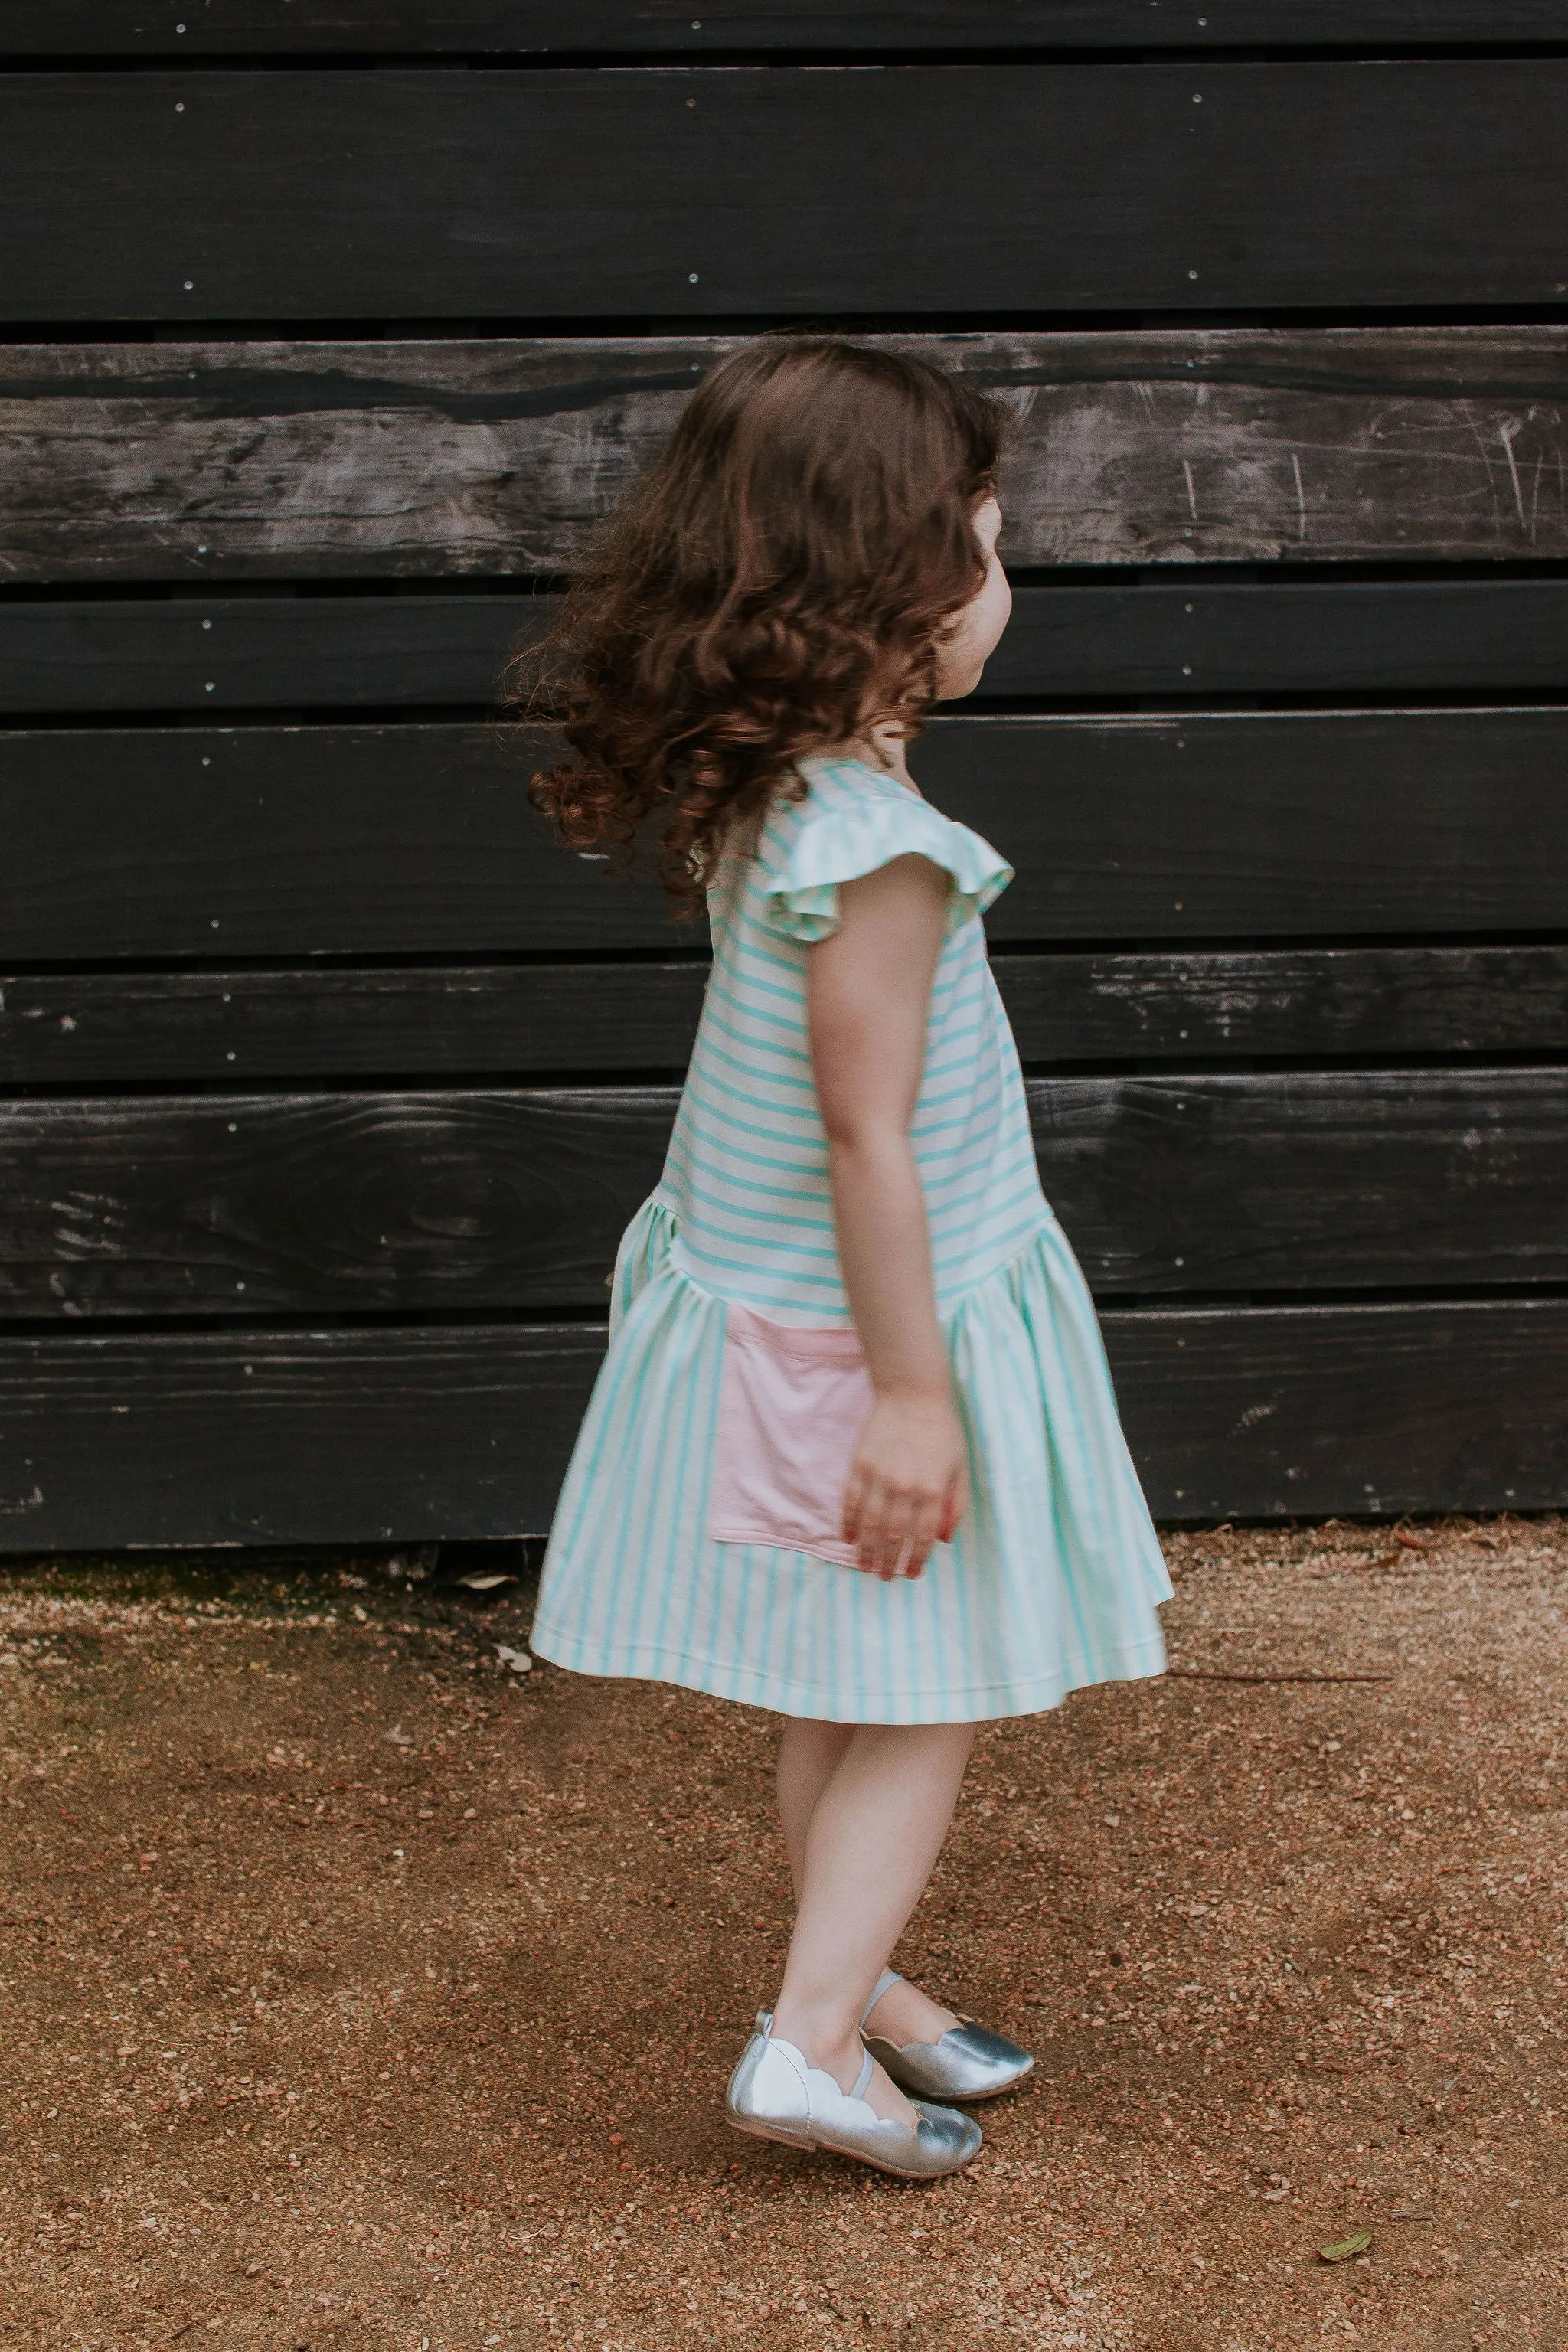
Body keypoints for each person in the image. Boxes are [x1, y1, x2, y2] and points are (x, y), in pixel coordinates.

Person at [521, 338, 1171, 2182]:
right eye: (984, 537)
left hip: (777, 1316)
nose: (1004, 576)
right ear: (894, 590)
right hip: (864, 1334)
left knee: (846, 1674)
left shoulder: (781, 786)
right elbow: (865, 1131)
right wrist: (914, 1396)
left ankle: (859, 1974)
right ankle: (809, 2041)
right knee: (928, 1688)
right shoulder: (884, 848)